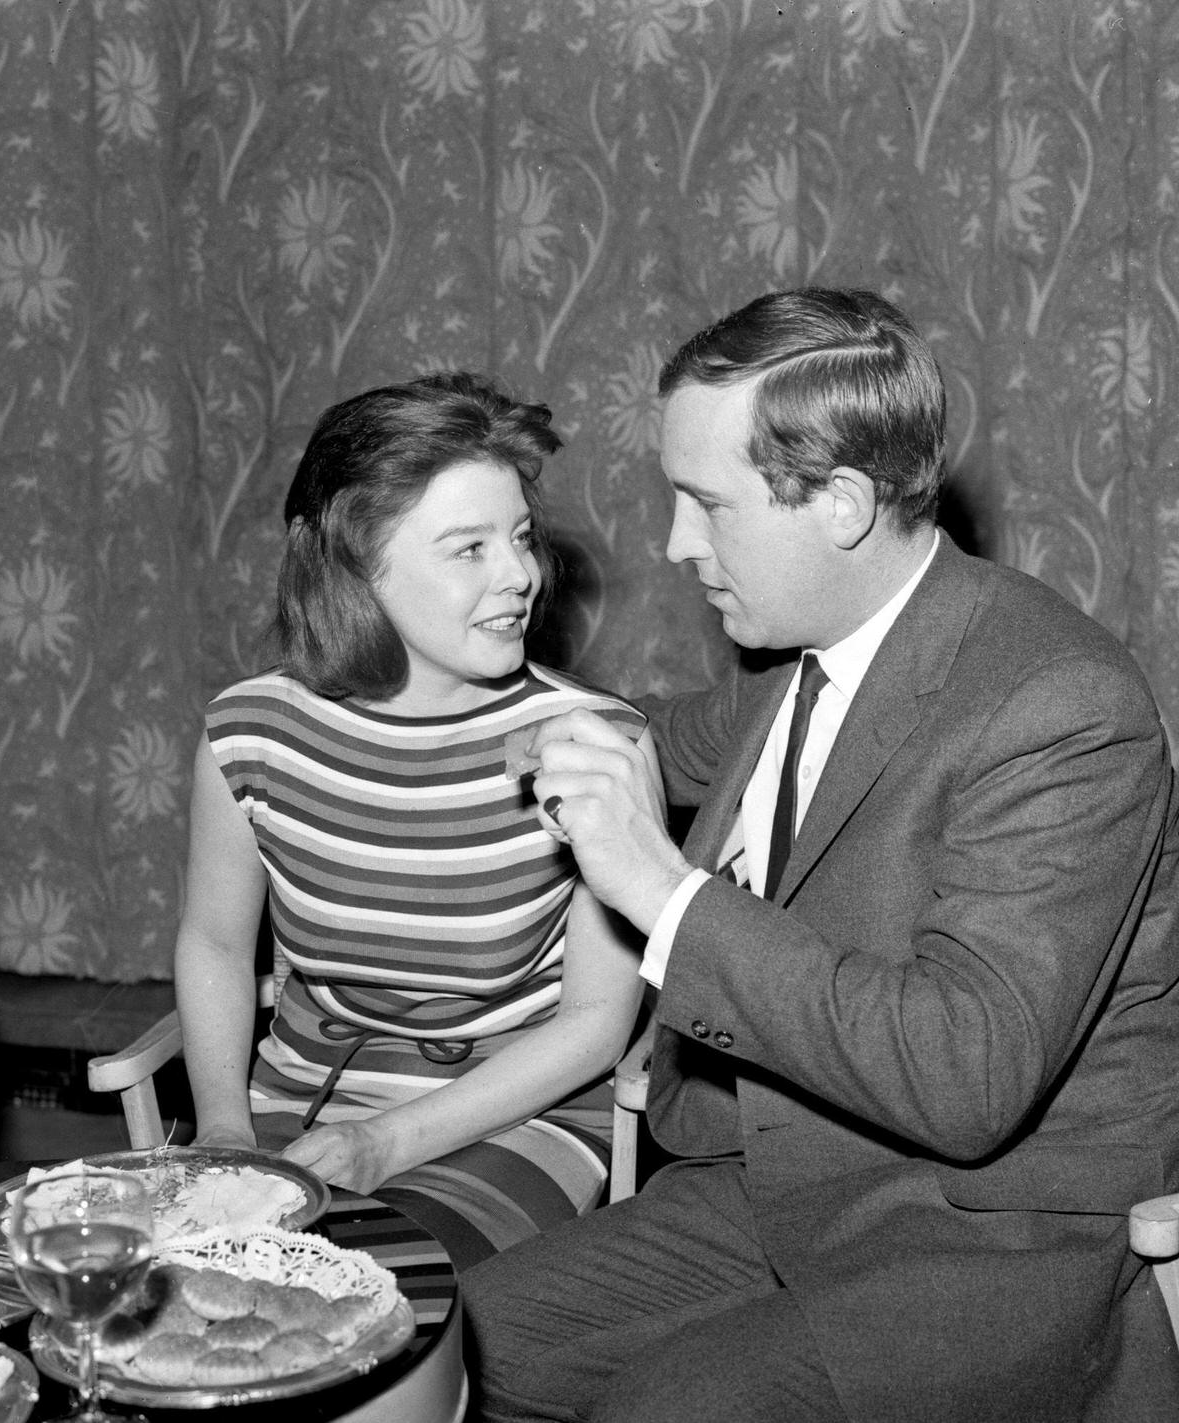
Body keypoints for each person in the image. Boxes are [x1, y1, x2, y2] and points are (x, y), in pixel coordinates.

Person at [462, 288, 1179, 1421]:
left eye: (705, 505)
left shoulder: (1061, 706)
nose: (673, 544)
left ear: (840, 503)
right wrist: (506, 709)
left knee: (670, 1407)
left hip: (982, 1238)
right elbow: (651, 732)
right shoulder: (792, 656)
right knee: (435, 1349)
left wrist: (659, 888)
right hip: (780, 1183)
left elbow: (965, 1078)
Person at [174, 371, 655, 1271]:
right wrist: (224, 1127)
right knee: (178, 1286)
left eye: (520, 539)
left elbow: (595, 1023)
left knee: (373, 1287)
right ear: (355, 566)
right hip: (303, 1098)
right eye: (468, 548)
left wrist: (385, 1144)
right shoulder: (249, 735)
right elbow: (211, 944)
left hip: (514, 1111)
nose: (522, 575)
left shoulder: (594, 744)